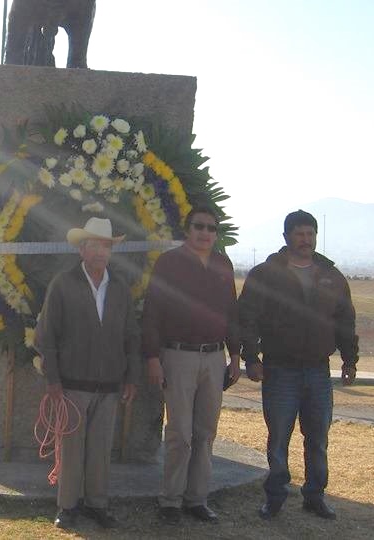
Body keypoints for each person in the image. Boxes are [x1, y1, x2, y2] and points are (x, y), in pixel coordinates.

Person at [239, 209, 358, 521]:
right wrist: (251, 358)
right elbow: (247, 318)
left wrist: (350, 360)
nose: (305, 239)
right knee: (279, 438)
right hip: (279, 369)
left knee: (318, 438)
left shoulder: (331, 276)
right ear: (286, 237)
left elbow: (345, 321)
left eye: (310, 234)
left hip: (319, 370)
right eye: (299, 234)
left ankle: (315, 496)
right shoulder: (266, 274)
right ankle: (275, 497)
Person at [34, 217, 140, 530]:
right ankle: (67, 506)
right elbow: (46, 336)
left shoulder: (120, 287)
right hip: (72, 385)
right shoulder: (63, 284)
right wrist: (53, 380)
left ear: (111, 251)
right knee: (70, 449)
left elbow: (132, 336)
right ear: (82, 249)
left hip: (109, 386)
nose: (100, 252)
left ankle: (97, 504)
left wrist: (131, 378)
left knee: (101, 449)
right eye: (93, 245)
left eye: (105, 246)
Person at [142, 206, 241, 525]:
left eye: (211, 228)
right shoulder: (169, 263)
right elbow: (153, 312)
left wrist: (235, 355)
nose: (205, 233)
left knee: (205, 433)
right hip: (178, 356)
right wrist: (153, 357)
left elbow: (231, 312)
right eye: (199, 226)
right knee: (180, 433)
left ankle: (197, 499)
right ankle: (171, 500)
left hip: (214, 357)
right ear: (187, 230)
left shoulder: (223, 264)